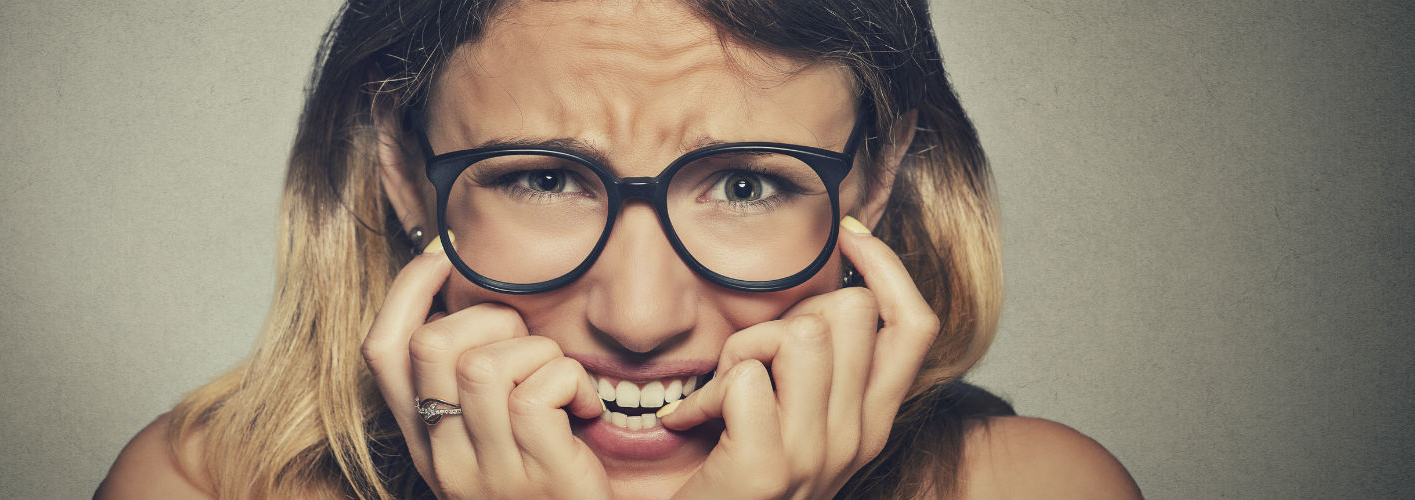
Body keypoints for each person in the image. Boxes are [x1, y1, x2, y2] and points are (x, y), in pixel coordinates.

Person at [96, 0, 1142, 498]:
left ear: (871, 175)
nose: (640, 316)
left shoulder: (1034, 490)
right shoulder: (199, 486)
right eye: (541, 176)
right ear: (404, 170)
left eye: (746, 183)